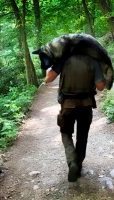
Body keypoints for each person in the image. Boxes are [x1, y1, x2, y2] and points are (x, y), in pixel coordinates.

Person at [45, 54, 105, 182]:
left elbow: (49, 79)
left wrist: (47, 72)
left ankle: (72, 161)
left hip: (67, 105)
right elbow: (100, 86)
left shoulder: (63, 59)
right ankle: (78, 163)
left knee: (65, 132)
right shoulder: (93, 60)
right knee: (82, 136)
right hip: (87, 104)